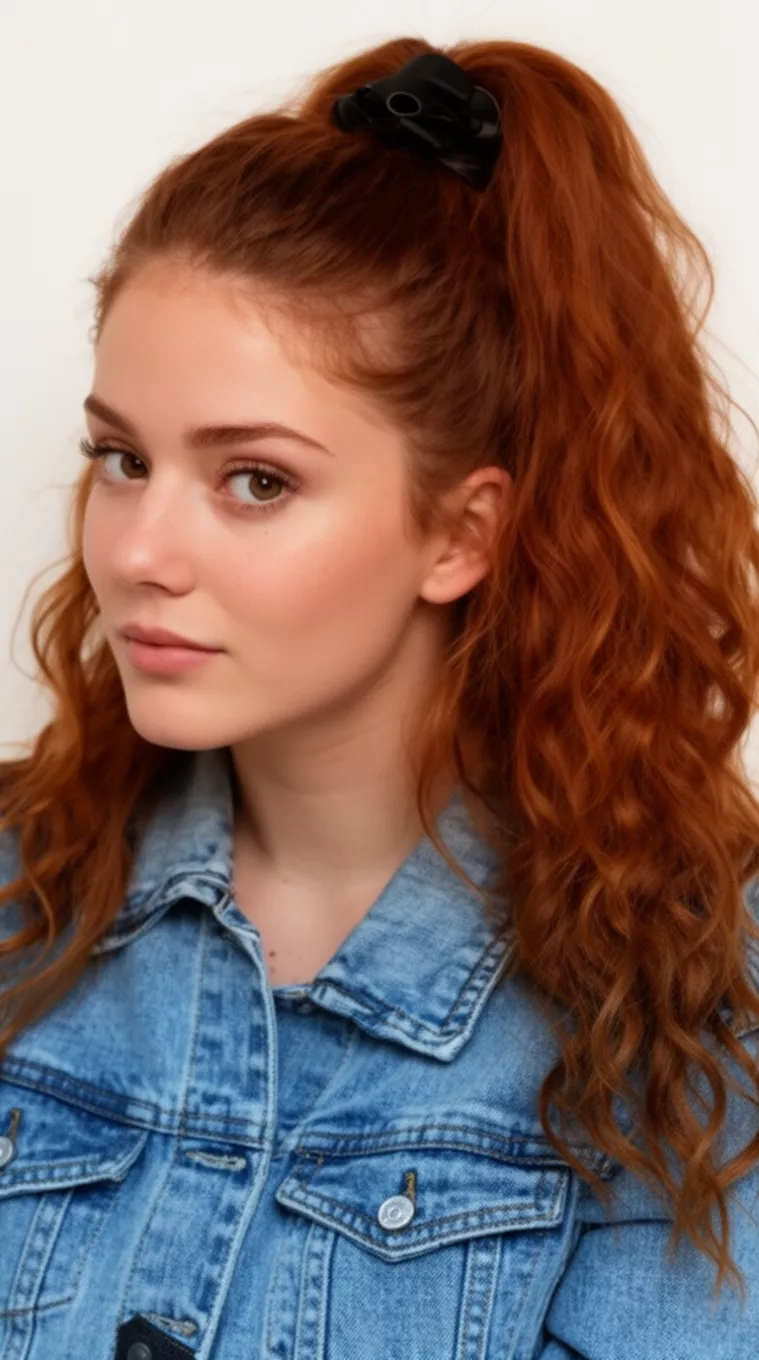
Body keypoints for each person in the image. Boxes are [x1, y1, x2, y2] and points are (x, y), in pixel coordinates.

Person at [1, 36, 759, 1360]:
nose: (132, 553)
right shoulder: (24, 900)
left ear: (460, 536)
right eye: (120, 457)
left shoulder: (694, 1009)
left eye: (255, 480)